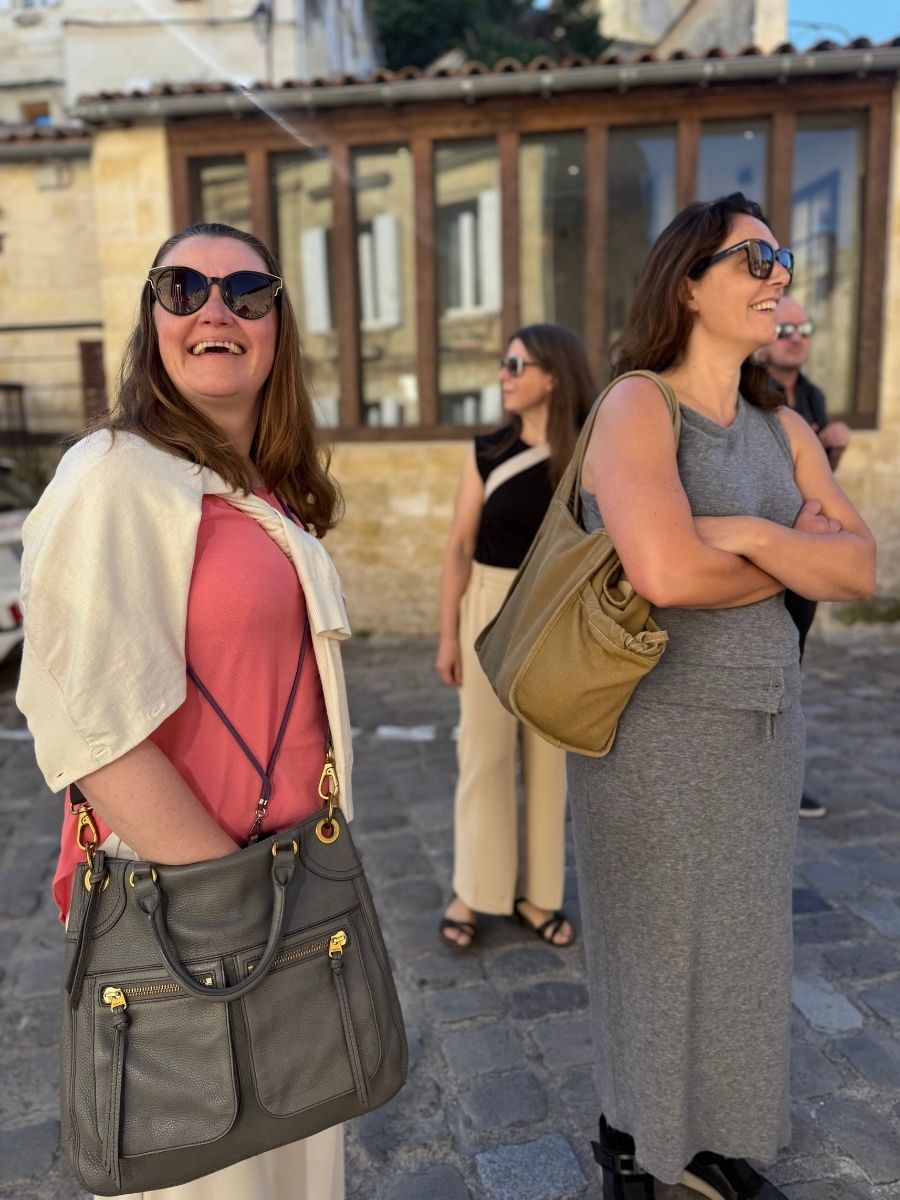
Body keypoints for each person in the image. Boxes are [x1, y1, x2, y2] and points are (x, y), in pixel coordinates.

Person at [16, 222, 352, 1200]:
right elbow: (90, 723)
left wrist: (288, 895)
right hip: (194, 912)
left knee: (292, 1165)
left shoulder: (258, 491)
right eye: (184, 288)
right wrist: (232, 907)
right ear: (152, 319)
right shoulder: (112, 474)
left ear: (278, 328)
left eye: (248, 291)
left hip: (290, 888)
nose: (216, 308)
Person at [572, 194, 875, 1200]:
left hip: (761, 725)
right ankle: (631, 1134)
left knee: (743, 942)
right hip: (653, 731)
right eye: (755, 259)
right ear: (689, 282)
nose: (778, 275)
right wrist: (793, 555)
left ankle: (711, 1134)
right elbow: (664, 572)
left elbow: (863, 568)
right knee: (652, 940)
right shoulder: (635, 406)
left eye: (781, 257)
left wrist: (741, 536)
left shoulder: (781, 423)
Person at [436, 324, 596, 950]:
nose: (503, 374)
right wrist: (447, 637)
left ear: (552, 375)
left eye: (515, 364)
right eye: (503, 364)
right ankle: (473, 890)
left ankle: (539, 897)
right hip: (488, 609)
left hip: (557, 615)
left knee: (550, 761)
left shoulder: (590, 453)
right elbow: (458, 546)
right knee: (484, 756)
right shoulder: (486, 450)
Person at [758, 294, 853, 817]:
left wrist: (832, 450)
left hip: (807, 557)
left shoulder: (812, 395)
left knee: (792, 667)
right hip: (762, 556)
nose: (797, 335)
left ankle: (784, 779)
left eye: (805, 327)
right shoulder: (753, 393)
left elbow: (818, 487)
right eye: (786, 326)